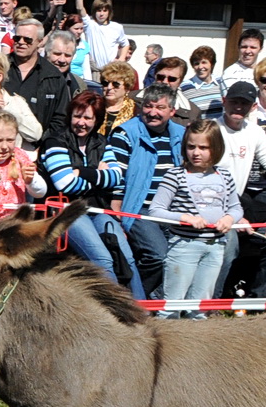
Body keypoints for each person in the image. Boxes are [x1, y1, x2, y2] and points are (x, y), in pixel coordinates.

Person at [39, 90, 140, 295]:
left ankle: (144, 311)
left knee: (126, 257)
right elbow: (65, 184)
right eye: (77, 116)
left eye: (88, 118)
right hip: (68, 210)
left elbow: (118, 177)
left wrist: (83, 172)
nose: (81, 122)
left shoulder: (102, 142)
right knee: (102, 259)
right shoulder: (54, 142)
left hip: (98, 208)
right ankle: (116, 311)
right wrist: (99, 176)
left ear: (97, 120)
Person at [146, 120, 247, 317]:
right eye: (191, 146)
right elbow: (155, 210)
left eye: (203, 147)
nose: (196, 152)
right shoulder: (175, 175)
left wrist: (229, 218)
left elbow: (236, 208)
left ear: (216, 148)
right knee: (172, 305)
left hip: (216, 247)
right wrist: (184, 217)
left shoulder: (224, 176)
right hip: (184, 245)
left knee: (201, 307)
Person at [215, 80, 266, 298]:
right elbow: (205, 176)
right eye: (234, 101)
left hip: (238, 205)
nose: (238, 107)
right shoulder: (211, 130)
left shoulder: (255, 133)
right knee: (228, 247)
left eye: (244, 103)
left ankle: (261, 305)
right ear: (224, 101)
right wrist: (233, 215)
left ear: (253, 107)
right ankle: (212, 305)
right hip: (211, 206)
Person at [112, 83, 190, 296]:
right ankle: (135, 298)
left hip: (173, 209)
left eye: (160, 107)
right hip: (140, 209)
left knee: (187, 254)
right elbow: (117, 174)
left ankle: (162, 304)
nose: (152, 112)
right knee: (158, 255)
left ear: (172, 111)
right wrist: (118, 209)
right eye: (148, 106)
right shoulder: (126, 133)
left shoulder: (182, 135)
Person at [0, 109, 45, 222]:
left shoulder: (20, 156)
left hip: (17, 225)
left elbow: (40, 193)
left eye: (10, 140)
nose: (5, 146)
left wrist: (30, 180)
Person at [4, 17, 70, 140]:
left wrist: (42, 146)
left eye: (27, 39)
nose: (21, 42)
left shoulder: (53, 76)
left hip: (36, 148)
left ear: (39, 42)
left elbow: (60, 119)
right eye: (17, 38)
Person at [77, 0, 127, 81]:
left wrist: (121, 58)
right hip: (94, 71)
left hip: (110, 71)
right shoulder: (90, 25)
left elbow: (125, 44)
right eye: (99, 10)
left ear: (109, 12)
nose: (101, 14)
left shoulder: (117, 27)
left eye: (104, 10)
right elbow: (80, 8)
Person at [179, 46, 225, 116]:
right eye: (196, 63)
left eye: (204, 62)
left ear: (211, 64)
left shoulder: (221, 82)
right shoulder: (184, 87)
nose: (200, 67)